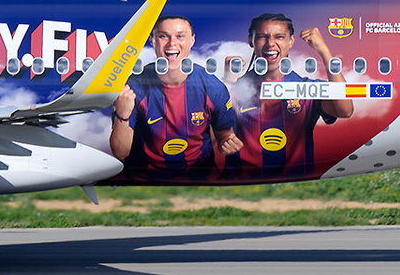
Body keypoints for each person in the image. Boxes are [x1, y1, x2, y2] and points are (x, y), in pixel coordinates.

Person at [110, 14, 241, 180]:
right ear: (152, 41)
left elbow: (224, 135)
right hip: (145, 181)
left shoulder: (212, 86)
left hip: (200, 179)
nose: (172, 43)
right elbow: (120, 152)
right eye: (163, 36)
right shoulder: (132, 88)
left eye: (180, 36)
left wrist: (227, 142)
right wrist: (123, 116)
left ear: (192, 40)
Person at [230, 12, 354, 180]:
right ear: (251, 41)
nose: (271, 43)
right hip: (242, 186)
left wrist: (324, 51)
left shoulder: (306, 88)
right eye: (262, 37)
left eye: (279, 37)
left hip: (295, 187)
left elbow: (345, 110)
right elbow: (214, 135)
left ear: (291, 41)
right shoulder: (234, 89)